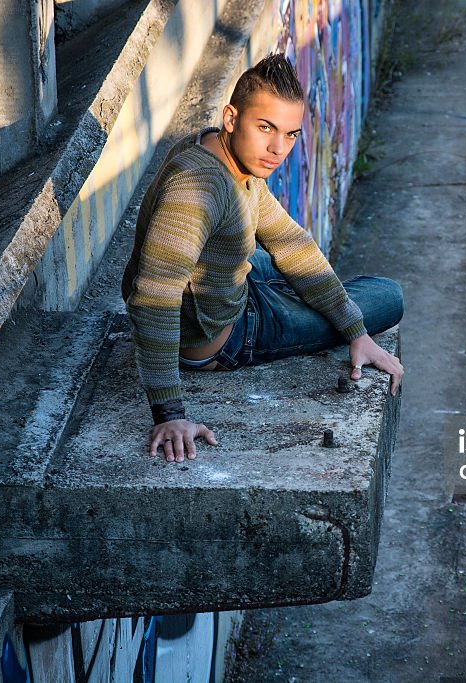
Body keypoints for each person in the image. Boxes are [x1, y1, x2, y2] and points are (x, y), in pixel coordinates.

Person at [121, 53, 404, 464]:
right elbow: (152, 296)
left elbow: (291, 243)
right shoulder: (197, 188)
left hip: (228, 283)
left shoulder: (227, 155)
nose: (278, 148)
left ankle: (319, 306)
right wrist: (169, 413)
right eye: (266, 128)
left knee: (298, 268)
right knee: (387, 296)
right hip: (224, 334)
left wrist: (355, 332)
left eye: (290, 135)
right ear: (232, 117)